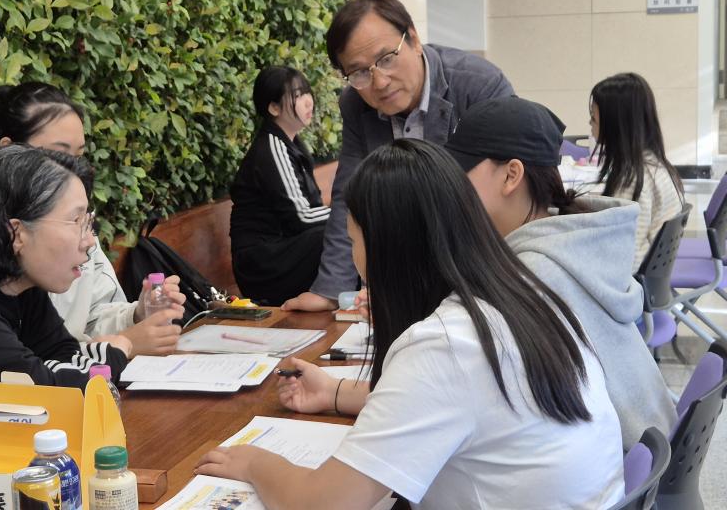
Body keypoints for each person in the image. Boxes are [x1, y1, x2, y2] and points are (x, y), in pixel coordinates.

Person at [197, 139, 624, 509]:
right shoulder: (519, 291)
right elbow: (464, 404)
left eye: (353, 238)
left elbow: (322, 503)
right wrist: (337, 393)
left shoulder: (445, 345)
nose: (353, 258)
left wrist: (255, 462)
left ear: (385, 245)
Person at [443, 95, 676, 448]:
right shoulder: (573, 242)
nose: (450, 188)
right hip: (643, 449)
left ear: (511, 175)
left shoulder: (533, 275)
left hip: (616, 468)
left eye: (460, 174)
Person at [283, 0, 514, 311]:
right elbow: (350, 195)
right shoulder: (355, 103)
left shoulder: (478, 85)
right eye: (360, 72)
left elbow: (508, 193)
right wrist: (331, 290)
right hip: (410, 276)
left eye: (387, 58)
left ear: (414, 39)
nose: (379, 82)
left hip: (485, 269)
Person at [0, 82, 184, 355]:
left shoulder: (77, 229)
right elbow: (29, 366)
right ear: (8, 151)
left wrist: (137, 313)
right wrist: (125, 345)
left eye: (79, 156)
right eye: (58, 154)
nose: (73, 170)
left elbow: (89, 318)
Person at [0, 146, 128, 406]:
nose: (90, 240)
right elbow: (43, 392)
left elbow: (62, 354)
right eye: (76, 221)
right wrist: (118, 352)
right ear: (17, 233)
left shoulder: (15, 275)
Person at [229, 66, 330, 305]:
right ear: (273, 108)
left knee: (343, 232)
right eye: (297, 96)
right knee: (339, 232)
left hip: (281, 253)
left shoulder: (291, 145)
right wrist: (351, 215)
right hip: (262, 267)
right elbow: (302, 217)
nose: (308, 102)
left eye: (307, 93)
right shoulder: (272, 147)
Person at [589, 72, 685, 269]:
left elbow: (627, 258)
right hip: (653, 275)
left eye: (593, 118)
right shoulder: (653, 165)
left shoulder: (633, 180)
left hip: (635, 284)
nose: (590, 124)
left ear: (615, 124)